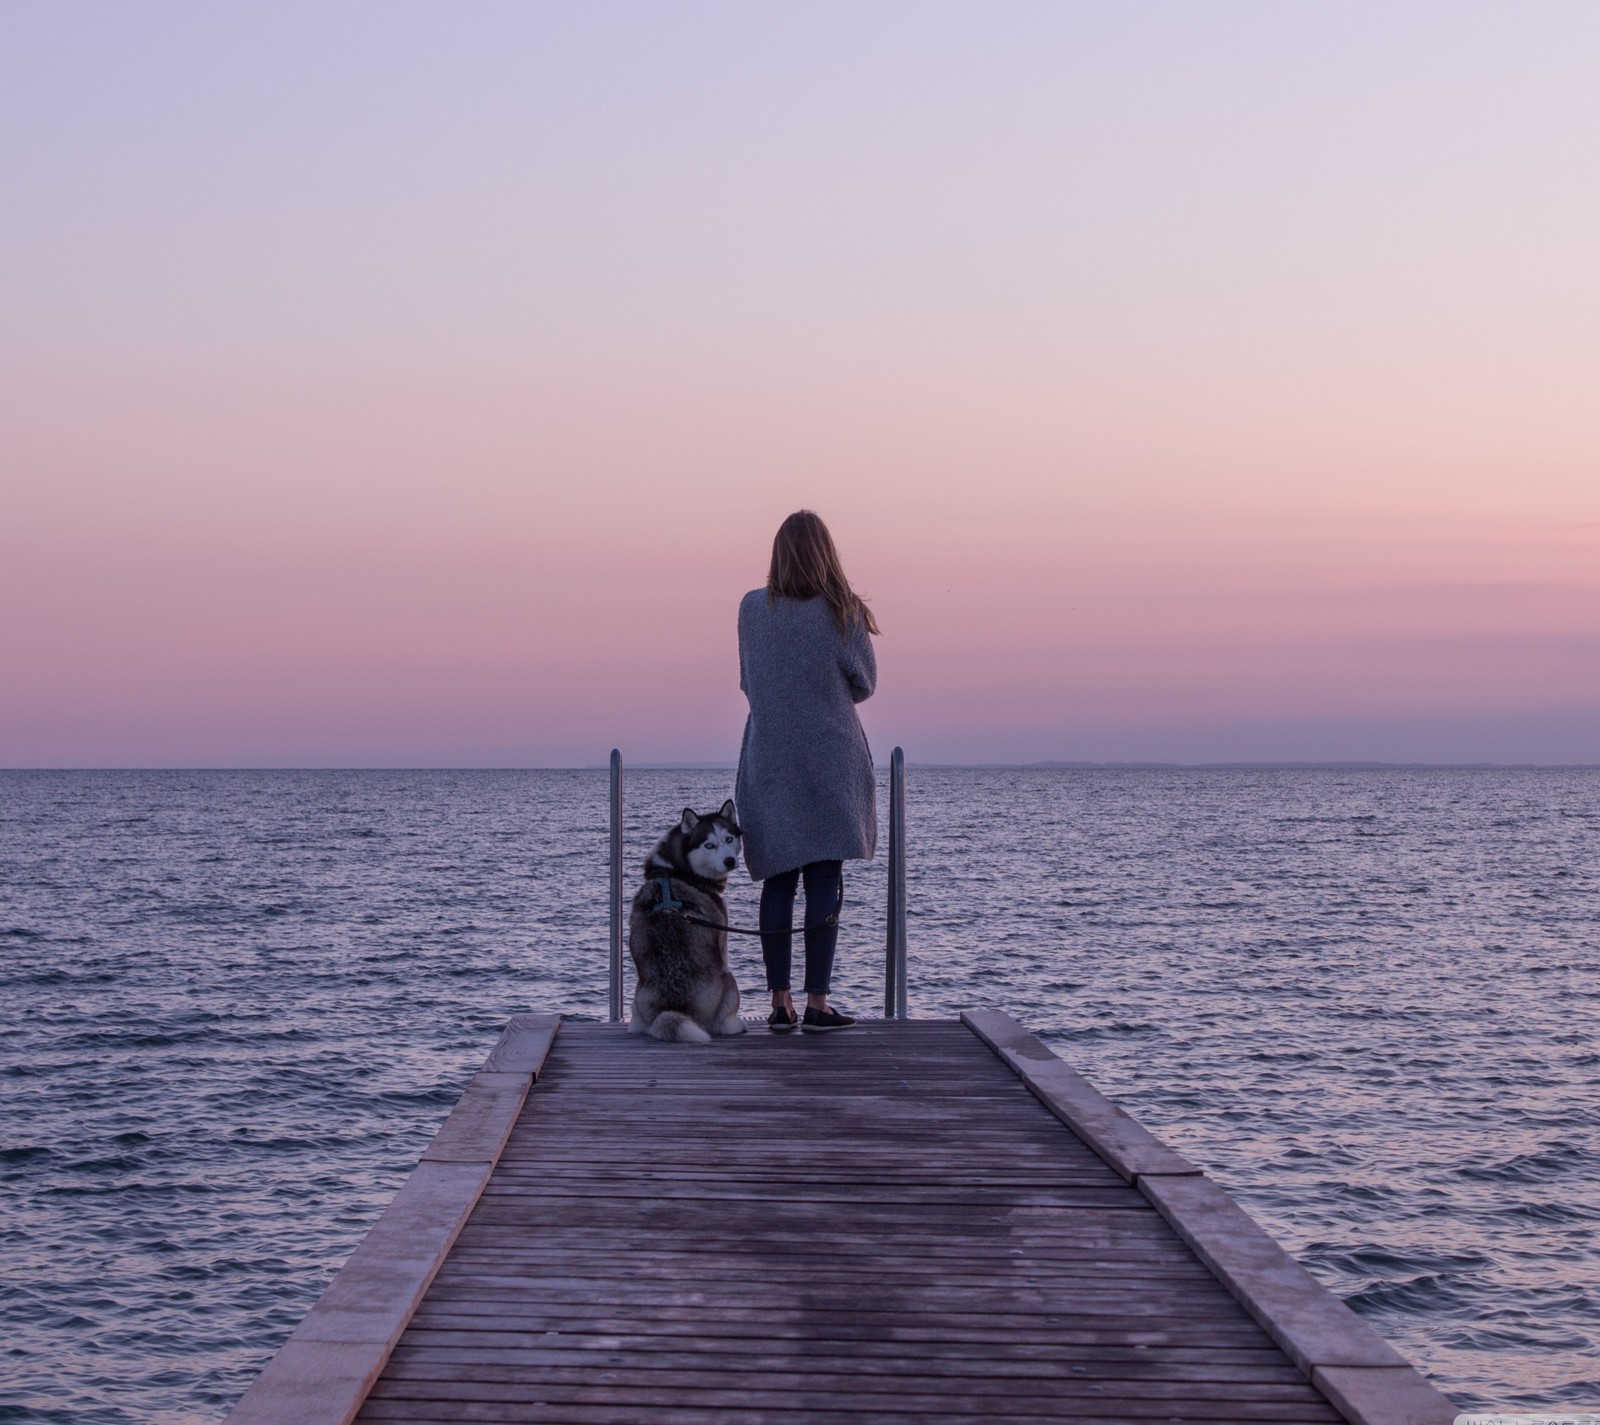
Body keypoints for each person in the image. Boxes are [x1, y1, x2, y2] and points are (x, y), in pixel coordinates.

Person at [735, 510, 880, 1033]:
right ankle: (818, 1002)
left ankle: (780, 1003)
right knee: (824, 878)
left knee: (777, 880)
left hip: (770, 757)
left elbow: (749, 682)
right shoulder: (842, 611)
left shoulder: (752, 609)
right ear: (827, 555)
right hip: (830, 758)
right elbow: (863, 683)